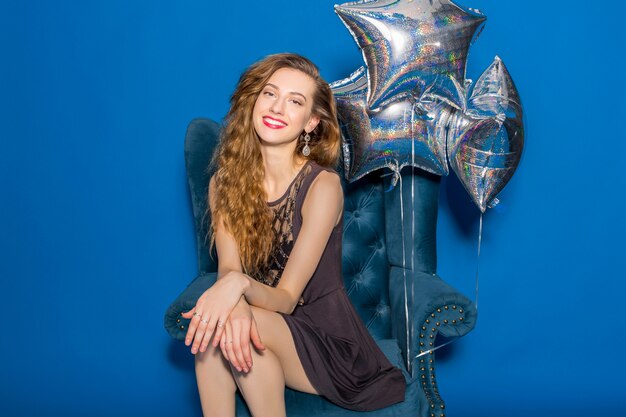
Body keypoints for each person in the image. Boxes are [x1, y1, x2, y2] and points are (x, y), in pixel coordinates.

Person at [181, 53, 405, 417]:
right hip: (263, 328)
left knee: (230, 326)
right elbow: (228, 270)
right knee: (217, 337)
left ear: (311, 122)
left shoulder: (323, 186)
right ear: (255, 101)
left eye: (295, 101)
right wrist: (234, 296)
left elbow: (285, 299)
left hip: (328, 342)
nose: (277, 107)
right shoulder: (222, 184)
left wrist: (237, 290)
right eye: (270, 94)